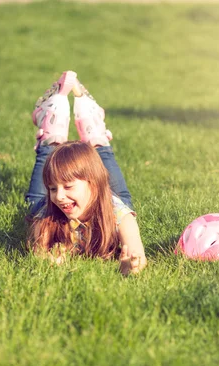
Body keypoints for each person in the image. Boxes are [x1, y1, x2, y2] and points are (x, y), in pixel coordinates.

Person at [24, 70, 146, 275]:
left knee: (121, 195)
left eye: (68, 186)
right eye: (53, 189)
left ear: (93, 183)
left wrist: (131, 267)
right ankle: (52, 131)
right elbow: (39, 253)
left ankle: (92, 132)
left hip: (107, 203)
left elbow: (137, 255)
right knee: (41, 194)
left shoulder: (120, 216)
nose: (59, 196)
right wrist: (49, 261)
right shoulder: (48, 214)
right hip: (48, 208)